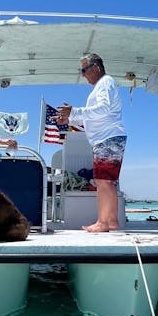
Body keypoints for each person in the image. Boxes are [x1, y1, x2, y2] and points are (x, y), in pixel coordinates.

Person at [56, 53, 127, 232]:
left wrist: (75, 111)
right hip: (107, 138)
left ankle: (103, 223)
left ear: (95, 67)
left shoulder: (105, 82)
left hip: (108, 138)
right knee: (105, 181)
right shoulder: (102, 85)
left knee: (103, 181)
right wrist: (70, 120)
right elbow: (94, 117)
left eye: (84, 70)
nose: (83, 75)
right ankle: (111, 221)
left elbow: (103, 109)